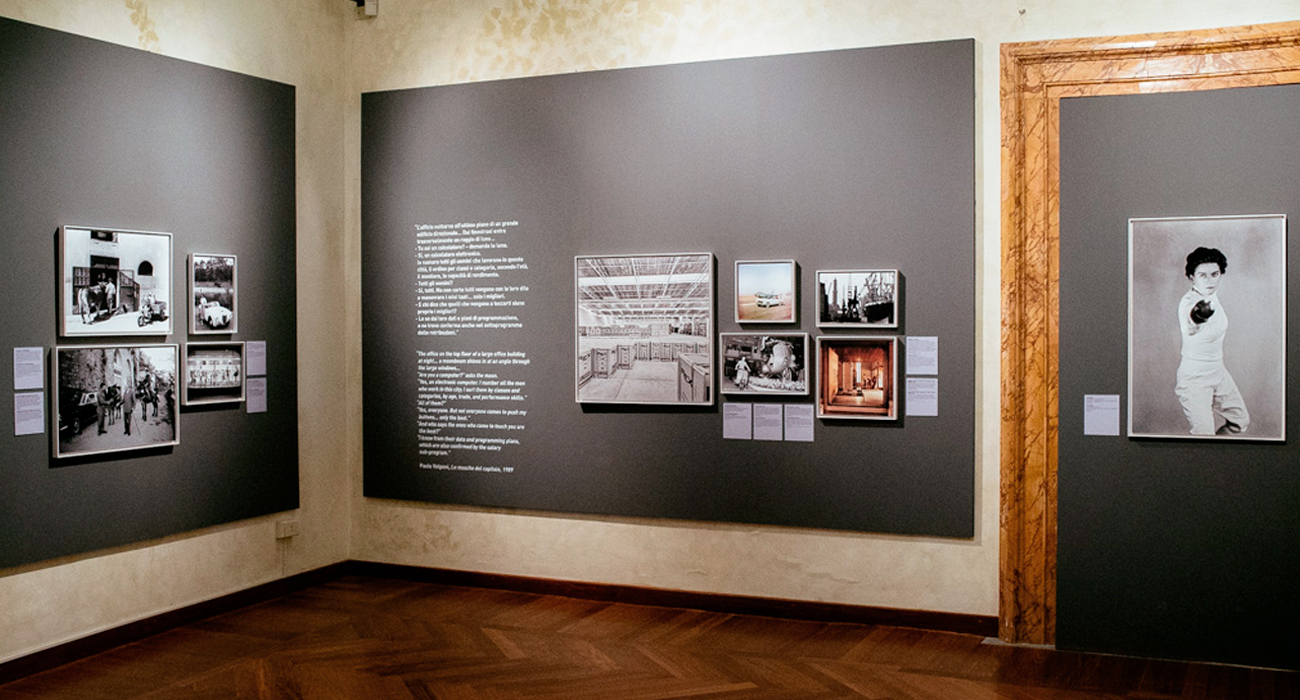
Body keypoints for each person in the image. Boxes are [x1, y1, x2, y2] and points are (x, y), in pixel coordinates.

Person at [1175, 246, 1249, 436]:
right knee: (1204, 434)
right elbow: (1190, 323)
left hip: (1218, 371)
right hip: (1195, 377)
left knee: (1240, 422)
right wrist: (1197, 318)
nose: (1209, 281)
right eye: (1203, 275)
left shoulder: (1211, 294)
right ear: (1192, 277)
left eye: (1214, 274)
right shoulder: (1189, 302)